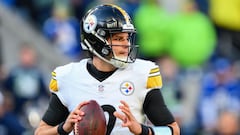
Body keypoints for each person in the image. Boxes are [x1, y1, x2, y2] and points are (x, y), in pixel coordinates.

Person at [35, 4, 180, 135]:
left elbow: (173, 130)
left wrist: (142, 130)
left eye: (127, 38)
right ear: (96, 40)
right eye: (118, 38)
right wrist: (63, 128)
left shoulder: (141, 74)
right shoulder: (69, 77)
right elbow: (40, 132)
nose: (126, 44)